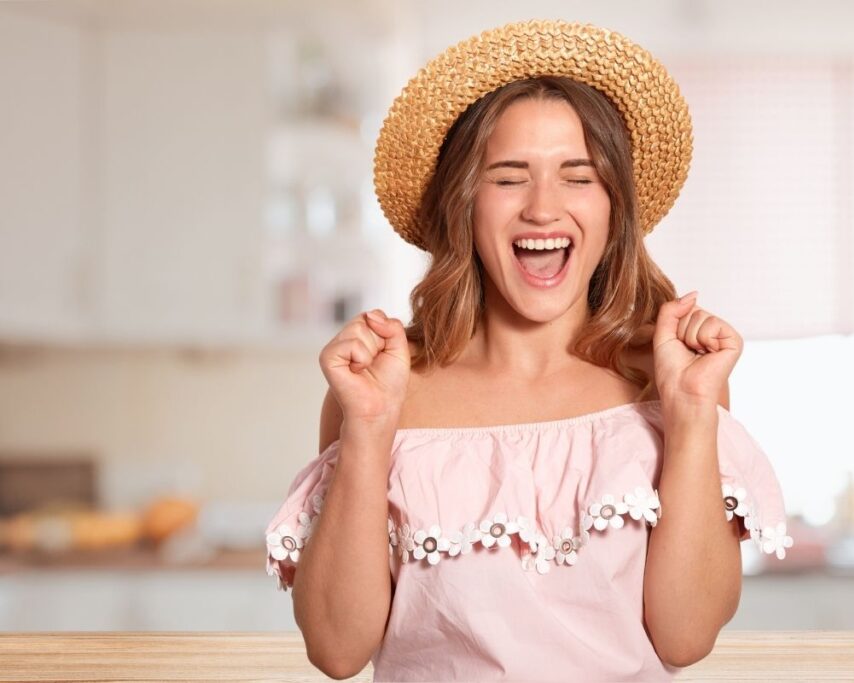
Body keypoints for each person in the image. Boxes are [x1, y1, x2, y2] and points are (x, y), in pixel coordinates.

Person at [263, 19, 792, 681]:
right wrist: (369, 429)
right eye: (509, 177)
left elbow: (685, 637)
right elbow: (337, 649)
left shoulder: (666, 388)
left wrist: (690, 420)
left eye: (579, 177)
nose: (544, 208)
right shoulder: (383, 393)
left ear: (612, 208)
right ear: (465, 204)